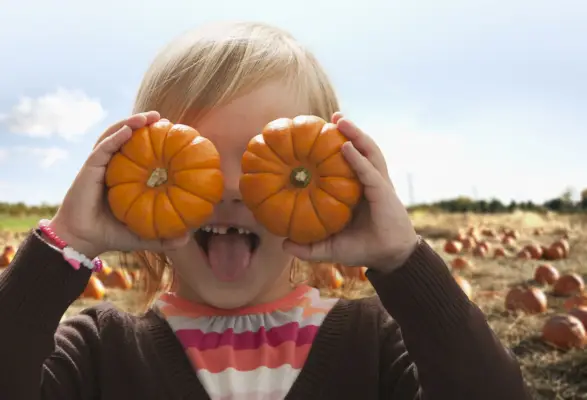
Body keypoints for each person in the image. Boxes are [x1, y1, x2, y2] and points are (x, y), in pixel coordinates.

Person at [0, 21, 530, 399]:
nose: (231, 187)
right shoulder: (100, 351)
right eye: (192, 160)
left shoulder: (375, 343)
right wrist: (63, 246)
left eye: (268, 160)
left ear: (334, 182)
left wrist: (403, 261)